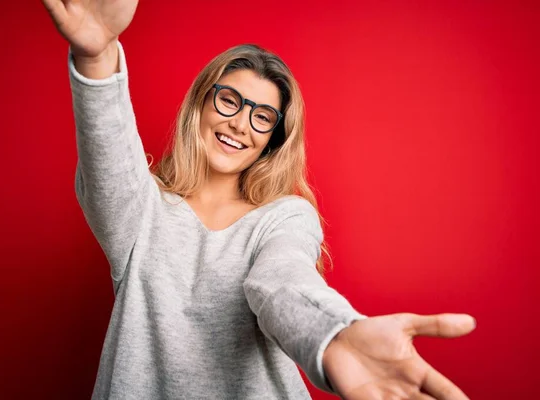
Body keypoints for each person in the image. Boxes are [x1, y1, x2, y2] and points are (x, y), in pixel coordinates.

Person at [42, 0, 476, 399]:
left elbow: (281, 282)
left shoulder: (284, 216)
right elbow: (109, 162)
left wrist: (335, 336)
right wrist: (96, 58)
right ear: (201, 102)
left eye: (262, 116)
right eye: (229, 100)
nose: (240, 124)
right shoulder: (143, 210)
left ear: (272, 140)